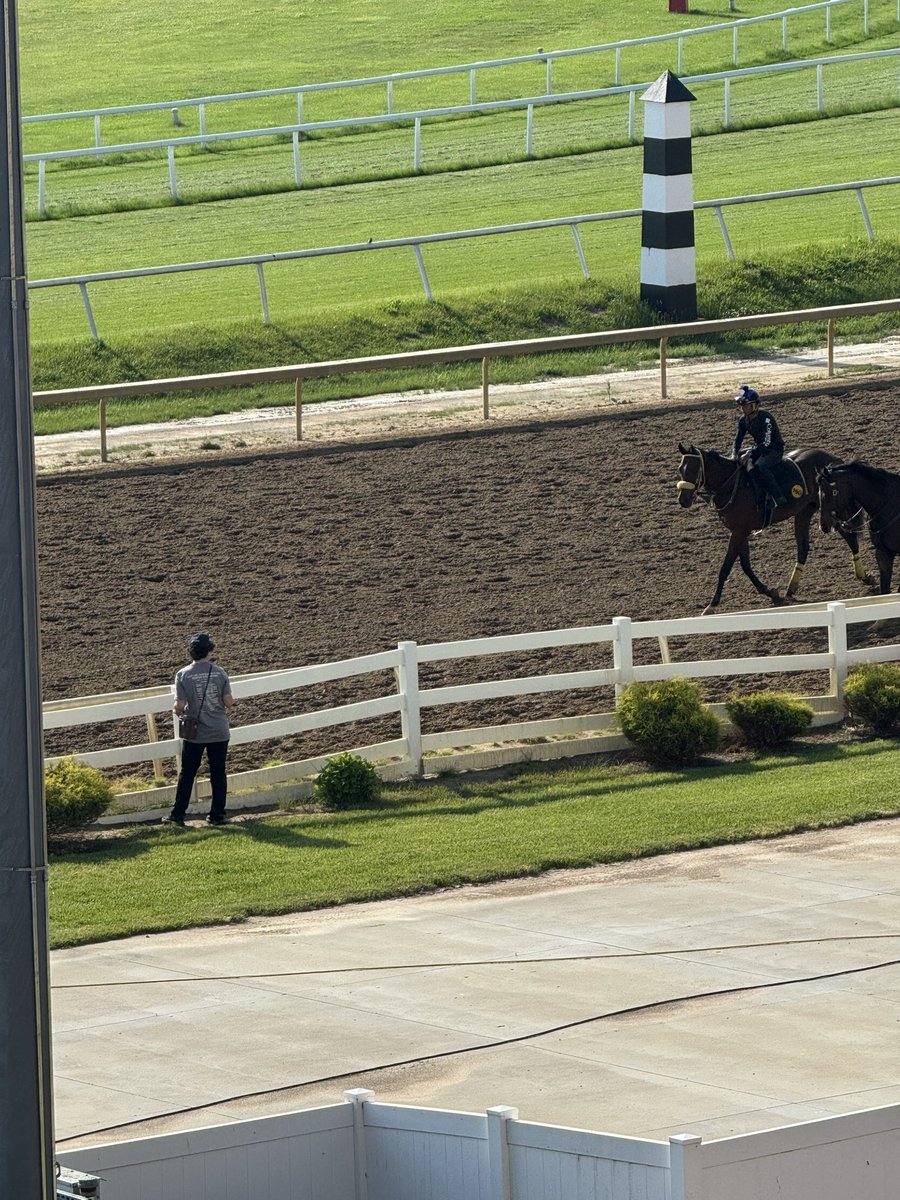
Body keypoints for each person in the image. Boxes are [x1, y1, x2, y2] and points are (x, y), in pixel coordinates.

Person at [163, 631, 234, 828]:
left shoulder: (183, 674)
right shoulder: (220, 672)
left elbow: (179, 705)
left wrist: (180, 711)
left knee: (187, 773)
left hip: (195, 733)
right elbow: (229, 702)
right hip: (219, 731)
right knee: (218, 772)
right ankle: (217, 814)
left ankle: (178, 815)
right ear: (209, 651)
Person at [731, 384, 786, 527]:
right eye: (742, 406)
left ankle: (777, 496)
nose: (743, 409)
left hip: (774, 450)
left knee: (761, 466)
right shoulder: (743, 420)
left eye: (746, 406)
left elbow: (766, 443)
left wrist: (750, 453)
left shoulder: (766, 418)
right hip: (760, 448)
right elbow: (738, 439)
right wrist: (735, 454)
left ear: (755, 405)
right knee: (742, 458)